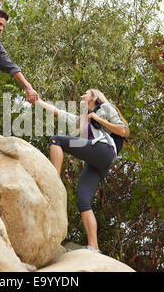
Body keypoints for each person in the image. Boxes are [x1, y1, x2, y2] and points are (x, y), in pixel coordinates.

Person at [36, 89, 129, 253]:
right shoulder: (84, 119)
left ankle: (54, 181)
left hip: (104, 150)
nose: (81, 96)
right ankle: (94, 248)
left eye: (85, 94)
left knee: (56, 140)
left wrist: (98, 118)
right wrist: (38, 101)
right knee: (83, 201)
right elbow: (61, 114)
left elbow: (123, 131)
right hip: (97, 162)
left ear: (93, 97)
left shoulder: (105, 107)